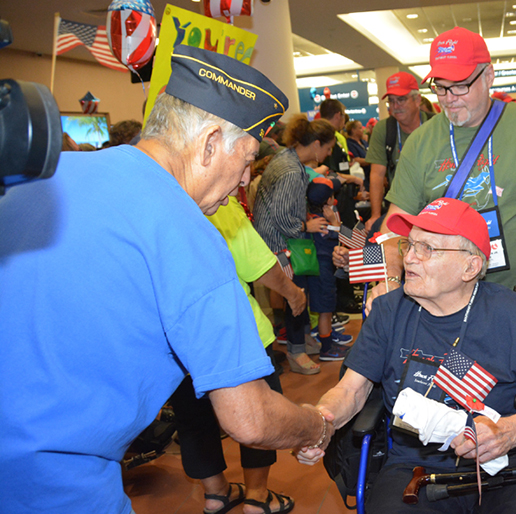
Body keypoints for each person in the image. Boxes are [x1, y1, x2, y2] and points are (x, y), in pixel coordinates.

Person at [0, 45, 333, 513]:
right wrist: (315, 426)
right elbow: (250, 418)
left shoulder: (44, 176)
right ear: (211, 142)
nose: (243, 179)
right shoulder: (190, 237)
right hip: (54, 485)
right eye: (247, 158)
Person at [297, 198, 516, 514]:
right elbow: (351, 389)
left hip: (506, 461)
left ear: (470, 267)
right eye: (410, 245)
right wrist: (322, 420)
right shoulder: (389, 312)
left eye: (427, 249)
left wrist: (512, 430)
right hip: (415, 465)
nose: (409, 259)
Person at [356, 27, 516, 312]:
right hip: (445, 301)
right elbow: (396, 222)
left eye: (460, 85)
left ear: (488, 75)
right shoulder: (420, 142)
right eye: (441, 87)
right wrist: (390, 278)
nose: (449, 97)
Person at [170, 195, 307, 514]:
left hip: (178, 339)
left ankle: (216, 493)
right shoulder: (214, 198)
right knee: (260, 414)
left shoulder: (146, 198)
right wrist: (292, 292)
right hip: (236, 334)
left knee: (194, 417)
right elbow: (255, 264)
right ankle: (258, 497)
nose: (244, 178)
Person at [253, 115, 340, 375]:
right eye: (327, 148)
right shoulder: (291, 170)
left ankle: (301, 340)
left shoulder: (287, 160)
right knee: (295, 294)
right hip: (281, 242)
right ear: (315, 144)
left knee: (298, 291)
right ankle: (296, 352)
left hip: (280, 239)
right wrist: (306, 226)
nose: (328, 154)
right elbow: (281, 216)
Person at [365, 72, 435, 231]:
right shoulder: (384, 129)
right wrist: (375, 215)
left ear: (417, 100)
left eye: (401, 100)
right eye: (391, 101)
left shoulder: (436, 125)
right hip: (401, 209)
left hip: (436, 206)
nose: (395, 106)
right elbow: (377, 174)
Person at [306, 177, 353, 361]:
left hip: (322, 271)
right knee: (325, 310)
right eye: (332, 196)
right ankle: (326, 348)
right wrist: (335, 220)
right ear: (327, 200)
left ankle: (329, 335)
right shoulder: (322, 223)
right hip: (322, 272)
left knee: (327, 307)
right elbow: (345, 237)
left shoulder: (312, 216)